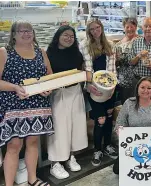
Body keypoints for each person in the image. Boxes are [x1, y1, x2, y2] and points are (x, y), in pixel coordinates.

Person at [0, 20, 53, 186]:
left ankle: (32, 179)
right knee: (14, 145)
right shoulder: (4, 52)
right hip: (13, 106)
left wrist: (48, 88)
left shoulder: (41, 52)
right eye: (22, 31)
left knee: (32, 142)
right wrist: (15, 87)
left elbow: (50, 76)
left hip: (37, 104)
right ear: (14, 34)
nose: (26, 33)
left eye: (29, 30)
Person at [46, 25, 87, 179]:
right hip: (58, 92)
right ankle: (55, 162)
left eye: (71, 36)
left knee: (76, 125)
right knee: (59, 127)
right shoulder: (49, 53)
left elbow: (81, 70)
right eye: (66, 35)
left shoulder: (76, 52)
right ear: (58, 36)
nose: (69, 38)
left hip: (75, 91)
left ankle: (71, 156)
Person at [79, 19, 118, 166]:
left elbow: (113, 67)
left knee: (109, 116)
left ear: (101, 28)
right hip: (94, 88)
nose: (96, 31)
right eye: (92, 29)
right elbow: (85, 68)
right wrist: (88, 86)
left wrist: (113, 85)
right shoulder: (84, 46)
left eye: (97, 27)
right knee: (100, 119)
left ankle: (107, 145)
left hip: (109, 86)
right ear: (88, 31)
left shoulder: (110, 44)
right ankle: (97, 149)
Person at [113, 17, 138, 104]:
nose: (130, 29)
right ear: (124, 28)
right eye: (127, 27)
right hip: (123, 80)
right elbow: (116, 63)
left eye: (132, 26)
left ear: (136, 27)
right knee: (126, 103)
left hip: (138, 78)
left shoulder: (141, 40)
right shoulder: (118, 44)